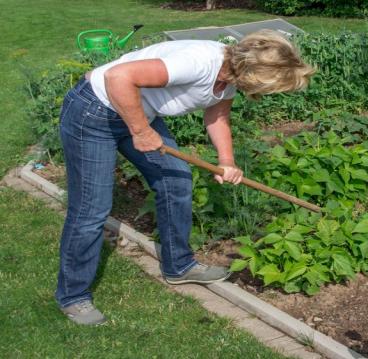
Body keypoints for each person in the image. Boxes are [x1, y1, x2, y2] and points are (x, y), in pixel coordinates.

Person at [55, 30, 315, 325]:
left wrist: (227, 162)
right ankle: (73, 296)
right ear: (255, 74)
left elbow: (217, 116)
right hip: (94, 113)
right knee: (91, 208)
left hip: (136, 110)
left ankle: (179, 265)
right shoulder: (198, 62)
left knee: (176, 180)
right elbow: (118, 77)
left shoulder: (230, 73)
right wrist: (140, 131)